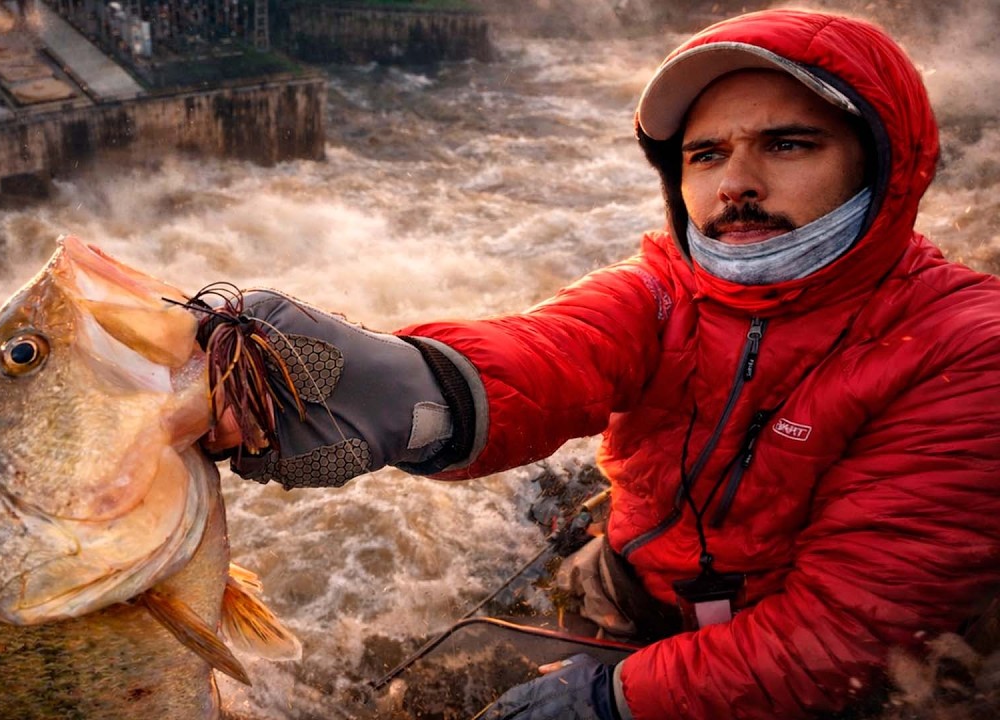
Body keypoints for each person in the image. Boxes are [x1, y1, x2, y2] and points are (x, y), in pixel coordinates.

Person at [201, 8, 1000, 719]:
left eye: (789, 145)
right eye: (706, 155)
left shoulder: (966, 348)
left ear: (886, 163)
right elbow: (555, 351)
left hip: (802, 669)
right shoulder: (663, 288)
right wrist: (413, 387)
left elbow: (846, 635)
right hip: (637, 581)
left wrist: (616, 698)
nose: (738, 185)